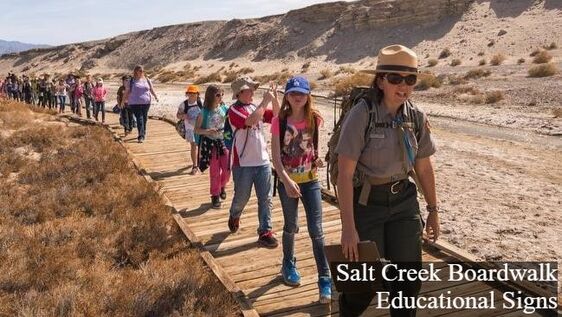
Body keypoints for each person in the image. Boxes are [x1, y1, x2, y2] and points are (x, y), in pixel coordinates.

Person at [336, 45, 439, 317]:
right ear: (381, 81)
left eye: (410, 79)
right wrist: (348, 228)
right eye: (395, 78)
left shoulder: (416, 117)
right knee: (363, 284)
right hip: (368, 204)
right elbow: (344, 174)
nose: (403, 86)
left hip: (404, 203)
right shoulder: (363, 114)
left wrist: (433, 210)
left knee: (408, 282)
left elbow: (424, 166)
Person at [271, 76, 331, 303]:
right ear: (287, 96)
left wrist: (316, 161)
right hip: (288, 181)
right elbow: (276, 158)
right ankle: (288, 263)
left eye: (302, 93)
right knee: (291, 225)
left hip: (310, 180)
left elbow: (313, 148)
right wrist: (286, 181)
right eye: (294, 93)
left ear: (308, 96)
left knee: (317, 230)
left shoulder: (314, 119)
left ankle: (324, 278)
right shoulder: (280, 121)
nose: (298, 97)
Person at [227, 77, 280, 248]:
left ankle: (265, 231)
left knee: (265, 198)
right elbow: (249, 121)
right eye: (249, 90)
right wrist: (265, 102)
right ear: (240, 93)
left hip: (262, 161)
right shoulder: (233, 110)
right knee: (242, 197)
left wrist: (275, 99)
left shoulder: (255, 107)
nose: (253, 92)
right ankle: (235, 214)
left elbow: (277, 117)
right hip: (243, 163)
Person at [195, 85, 231, 209]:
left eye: (222, 94)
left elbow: (230, 123)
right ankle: (215, 195)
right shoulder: (203, 112)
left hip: (223, 142)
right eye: (218, 95)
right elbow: (197, 130)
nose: (220, 97)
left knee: (227, 169)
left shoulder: (224, 108)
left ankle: (222, 186)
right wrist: (207, 131)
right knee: (214, 171)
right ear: (211, 96)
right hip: (211, 144)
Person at [123, 65, 159, 143]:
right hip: (134, 103)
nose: (142, 72)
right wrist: (123, 101)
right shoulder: (131, 81)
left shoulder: (147, 80)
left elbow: (151, 89)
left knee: (145, 118)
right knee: (140, 118)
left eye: (142, 71)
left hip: (146, 103)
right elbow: (127, 91)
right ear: (136, 71)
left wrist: (155, 96)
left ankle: (143, 132)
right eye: (140, 71)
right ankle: (141, 136)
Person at [176, 84, 202, 175]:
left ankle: (200, 162)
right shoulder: (184, 104)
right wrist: (183, 116)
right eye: (190, 93)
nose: (191, 95)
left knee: (201, 146)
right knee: (193, 146)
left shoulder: (201, 102)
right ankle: (195, 166)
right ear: (187, 94)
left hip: (201, 128)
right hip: (190, 129)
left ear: (197, 94)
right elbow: (178, 115)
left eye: (194, 93)